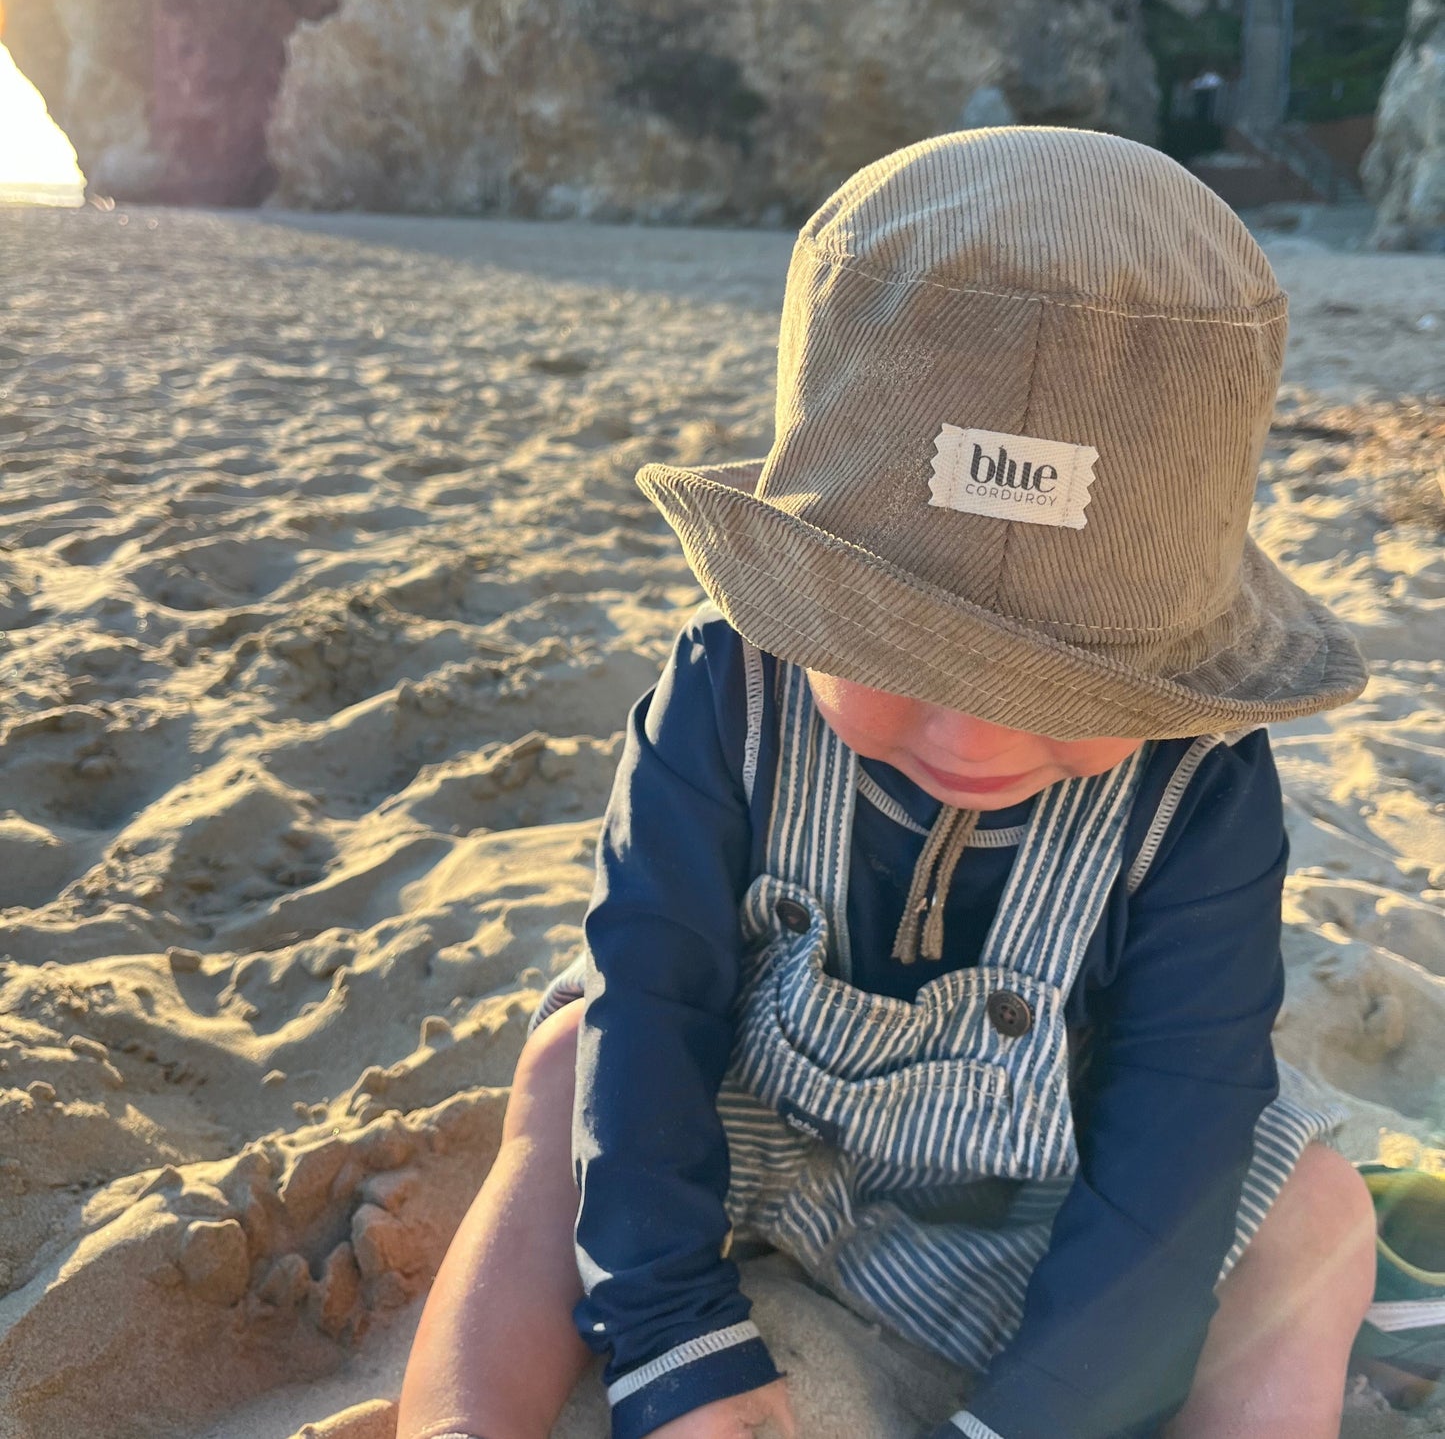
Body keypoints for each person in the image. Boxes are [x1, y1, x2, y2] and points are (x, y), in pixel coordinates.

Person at [396, 127, 1379, 1439]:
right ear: (795, 592)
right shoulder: (722, 690)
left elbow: (1176, 1131)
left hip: (1045, 1212)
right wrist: (666, 1327)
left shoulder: (1201, 791)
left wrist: (1022, 1423)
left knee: (1314, 1219)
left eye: (1070, 692)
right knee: (568, 1058)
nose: (973, 739)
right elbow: (655, 996)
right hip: (737, 1138)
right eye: (897, 649)